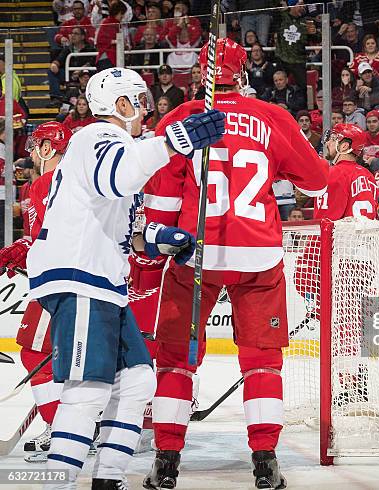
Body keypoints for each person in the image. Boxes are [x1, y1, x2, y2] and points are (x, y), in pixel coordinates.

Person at [25, 67, 225, 489]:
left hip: (101, 280)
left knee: (137, 381)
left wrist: (158, 237)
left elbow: (120, 224)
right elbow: (115, 179)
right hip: (82, 277)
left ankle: (109, 479)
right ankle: (56, 482)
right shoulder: (98, 138)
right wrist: (174, 142)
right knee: (89, 389)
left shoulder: (110, 146)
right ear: (121, 104)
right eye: (140, 100)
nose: (144, 110)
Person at [143, 39, 328, 489]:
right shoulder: (272, 116)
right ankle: (265, 461)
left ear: (200, 75)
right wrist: (273, 166)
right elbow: (318, 179)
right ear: (242, 74)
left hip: (194, 254)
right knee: (262, 360)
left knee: (175, 359)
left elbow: (162, 196)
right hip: (259, 255)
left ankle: (166, 460)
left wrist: (162, 238)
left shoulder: (180, 116)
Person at [0, 122, 72, 462]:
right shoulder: (70, 180)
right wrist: (21, 248)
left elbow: (49, 239)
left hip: (57, 282)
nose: (31, 151)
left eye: (37, 144)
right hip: (79, 277)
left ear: (48, 148)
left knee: (33, 352)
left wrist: (24, 251)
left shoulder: (47, 183)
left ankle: (63, 432)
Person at [314, 123, 376, 220]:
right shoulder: (368, 175)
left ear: (344, 146)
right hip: (368, 234)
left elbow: (325, 221)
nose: (327, 143)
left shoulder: (332, 173)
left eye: (333, 139)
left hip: (343, 234)